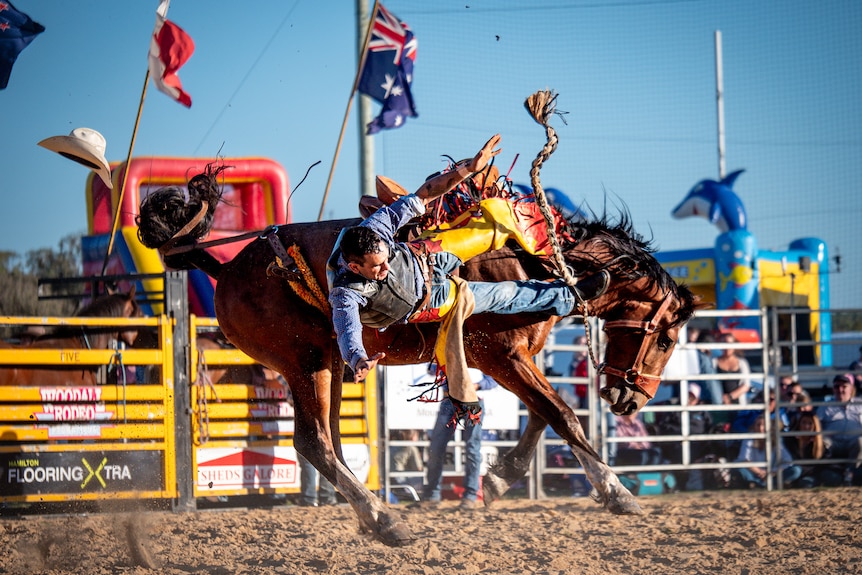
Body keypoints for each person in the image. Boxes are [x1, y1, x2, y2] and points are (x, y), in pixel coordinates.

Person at [328, 134, 577, 406]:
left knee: (490, 219)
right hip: (432, 298)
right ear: (354, 267)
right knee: (503, 294)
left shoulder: (377, 227)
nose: (386, 268)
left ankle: (557, 247)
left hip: (428, 255)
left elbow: (423, 194)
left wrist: (469, 168)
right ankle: (569, 295)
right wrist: (358, 359)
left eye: (386, 259)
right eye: (376, 267)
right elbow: (347, 330)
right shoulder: (345, 294)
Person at [420, 368, 498, 510]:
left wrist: (476, 385)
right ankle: (435, 495)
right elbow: (433, 369)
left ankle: (468, 495)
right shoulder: (448, 348)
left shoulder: (477, 351)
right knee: (437, 448)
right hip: (453, 400)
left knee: (471, 448)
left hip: (472, 399)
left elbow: (493, 379)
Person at [816, 373, 862, 485]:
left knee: (861, 442)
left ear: (851, 388)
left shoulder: (860, 404)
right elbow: (816, 426)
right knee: (822, 442)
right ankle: (827, 470)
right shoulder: (825, 406)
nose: (840, 390)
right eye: (837, 386)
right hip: (833, 443)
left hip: (854, 444)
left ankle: (850, 472)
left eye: (844, 386)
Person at [732, 415, 801, 489]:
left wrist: (773, 472)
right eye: (758, 425)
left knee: (796, 470)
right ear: (754, 426)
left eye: (764, 425)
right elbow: (744, 460)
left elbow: (787, 460)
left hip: (772, 475)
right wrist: (760, 472)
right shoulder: (749, 438)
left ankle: (767, 484)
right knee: (740, 471)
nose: (761, 428)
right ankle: (757, 484)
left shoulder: (776, 440)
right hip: (753, 473)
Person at [785, 411, 843, 488]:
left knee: (833, 477)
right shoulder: (791, 440)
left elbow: (825, 461)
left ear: (815, 426)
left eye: (810, 423)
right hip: (798, 472)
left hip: (814, 473)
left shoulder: (820, 443)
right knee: (795, 471)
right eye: (803, 423)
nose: (806, 426)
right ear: (799, 424)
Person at [714, 332, 751, 406]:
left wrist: (730, 397)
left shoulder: (742, 363)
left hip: (738, 406)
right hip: (719, 405)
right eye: (724, 343)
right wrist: (720, 398)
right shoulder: (714, 362)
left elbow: (746, 385)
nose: (727, 346)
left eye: (730, 343)